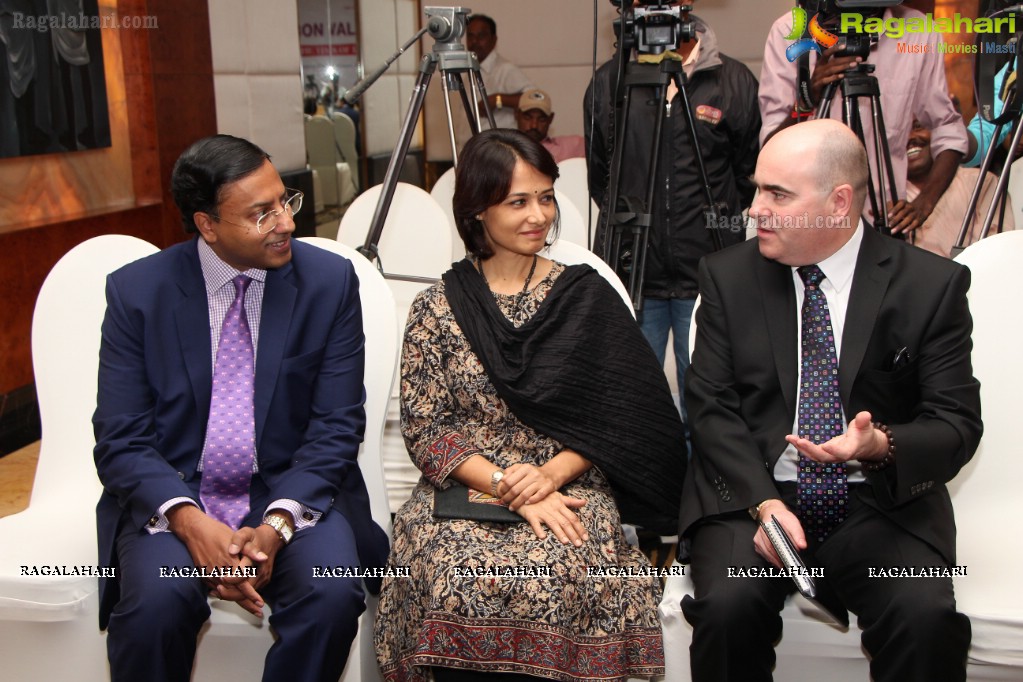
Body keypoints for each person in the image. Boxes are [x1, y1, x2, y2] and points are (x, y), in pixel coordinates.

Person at [374, 129, 686, 682]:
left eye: (545, 197)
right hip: (465, 484)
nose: (538, 215)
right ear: (477, 211)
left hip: (568, 479)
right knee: (453, 575)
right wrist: (507, 488)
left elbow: (624, 413)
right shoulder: (437, 306)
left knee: (564, 567)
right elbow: (428, 428)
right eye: (518, 201)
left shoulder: (585, 297)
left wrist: (547, 477)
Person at [677, 119, 982, 681]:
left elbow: (956, 424)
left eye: (777, 194)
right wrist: (764, 506)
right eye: (756, 189)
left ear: (838, 202)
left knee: (924, 617)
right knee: (727, 608)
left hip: (879, 504)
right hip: (755, 500)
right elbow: (711, 406)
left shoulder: (929, 286)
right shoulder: (728, 277)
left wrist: (880, 444)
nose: (755, 209)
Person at [92, 134, 389, 682]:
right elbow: (121, 439)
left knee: (330, 593)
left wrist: (276, 525)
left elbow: (337, 427)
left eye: (285, 201)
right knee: (155, 608)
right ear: (207, 225)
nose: (286, 223)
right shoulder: (139, 293)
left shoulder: (327, 283)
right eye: (261, 213)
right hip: (178, 492)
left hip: (290, 492)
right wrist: (189, 522)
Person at [584, 0, 760, 425]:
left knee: (708, 404)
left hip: (707, 272)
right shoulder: (611, 82)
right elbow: (601, 180)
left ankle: (704, 489)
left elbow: (744, 177)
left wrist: (709, 224)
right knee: (632, 405)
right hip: (634, 273)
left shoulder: (732, 79)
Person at [759, 3, 968, 237]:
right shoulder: (791, 31)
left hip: (883, 221)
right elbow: (769, 147)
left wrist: (925, 202)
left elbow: (948, 128)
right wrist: (808, 98)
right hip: (805, 223)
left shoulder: (917, 31)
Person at [907, 116, 1015, 257]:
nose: (910, 137)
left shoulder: (981, 182)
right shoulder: (884, 197)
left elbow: (999, 253)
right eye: (900, 134)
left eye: (917, 127)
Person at [465, 14, 533, 131]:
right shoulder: (469, 69)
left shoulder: (505, 69)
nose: (474, 41)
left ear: (494, 39)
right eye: (470, 36)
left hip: (496, 147)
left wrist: (498, 99)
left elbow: (533, 98)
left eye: (481, 36)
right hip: (471, 146)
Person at [515, 87, 586, 163]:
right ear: (517, 114)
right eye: (527, 117)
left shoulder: (572, 146)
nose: (534, 125)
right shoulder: (505, 149)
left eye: (542, 119)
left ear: (551, 119)